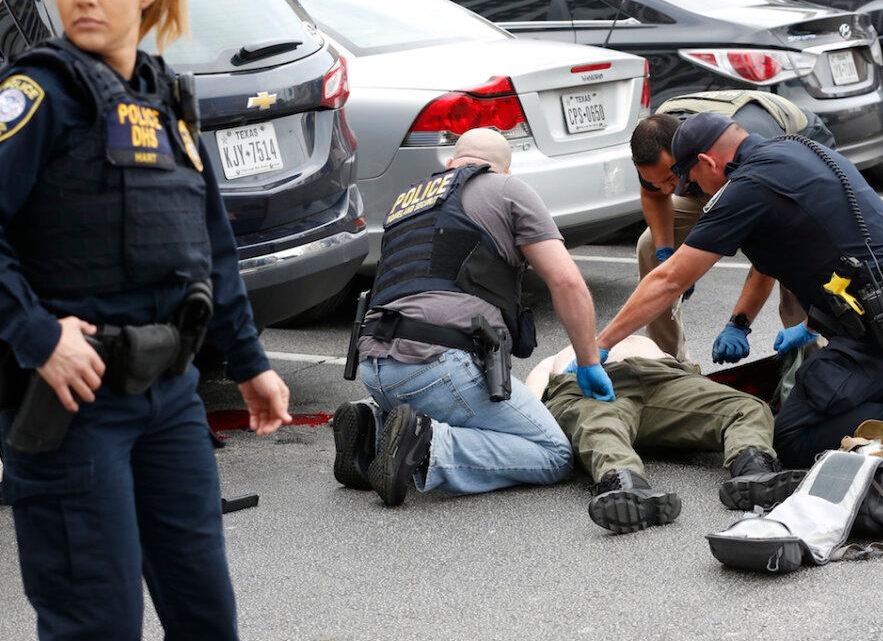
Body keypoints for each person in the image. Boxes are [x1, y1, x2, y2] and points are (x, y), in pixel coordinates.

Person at [0, 0, 292, 638]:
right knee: (97, 625)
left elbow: (211, 245)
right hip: (75, 405)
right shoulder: (37, 95)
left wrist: (250, 363)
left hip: (171, 402)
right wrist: (36, 335)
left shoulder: (165, 102)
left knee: (205, 615)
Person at [585, 112, 883, 470]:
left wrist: (599, 347)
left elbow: (669, 280)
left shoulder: (746, 187)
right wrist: (795, 323)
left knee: (793, 436)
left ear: (706, 162)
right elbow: (789, 249)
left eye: (691, 181)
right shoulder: (798, 148)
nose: (693, 192)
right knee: (837, 393)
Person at [332, 128, 614, 507]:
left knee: (453, 409)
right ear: (504, 171)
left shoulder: (407, 202)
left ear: (450, 164)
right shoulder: (507, 189)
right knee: (553, 453)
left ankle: (374, 432)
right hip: (438, 366)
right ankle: (431, 447)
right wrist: (588, 360)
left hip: (374, 366)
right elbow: (567, 282)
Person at [632, 90, 835, 362]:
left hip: (798, 145)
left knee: (794, 256)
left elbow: (769, 255)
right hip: (708, 174)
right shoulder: (653, 147)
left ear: (690, 157)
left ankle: (811, 360)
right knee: (648, 246)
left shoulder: (743, 155)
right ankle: (669, 362)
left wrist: (738, 324)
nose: (668, 189)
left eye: (670, 178)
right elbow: (653, 195)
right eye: (658, 181)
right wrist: (666, 255)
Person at [525, 335, 802, 534]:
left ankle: (754, 469)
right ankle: (625, 486)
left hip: (666, 379)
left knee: (745, 406)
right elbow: (532, 404)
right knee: (597, 426)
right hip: (586, 386)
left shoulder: (650, 344)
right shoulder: (555, 359)